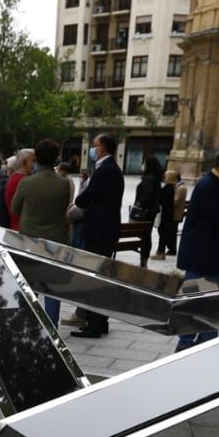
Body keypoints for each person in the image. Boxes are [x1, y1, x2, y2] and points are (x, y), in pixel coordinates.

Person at [175, 147, 219, 350]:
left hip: (213, 254)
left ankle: (207, 341)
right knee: (194, 301)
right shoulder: (208, 185)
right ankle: (186, 344)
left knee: (209, 301)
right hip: (202, 255)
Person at [12, 138, 74, 325]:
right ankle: (52, 325)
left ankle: (30, 323)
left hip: (30, 241)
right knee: (53, 288)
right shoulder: (64, 183)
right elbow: (64, 209)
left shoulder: (27, 183)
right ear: (56, 158)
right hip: (56, 242)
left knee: (30, 285)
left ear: (37, 158)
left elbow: (15, 209)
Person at [69, 133, 124, 338]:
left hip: (100, 230)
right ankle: (100, 321)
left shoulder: (105, 170)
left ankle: (94, 325)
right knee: (101, 277)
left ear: (103, 148)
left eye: (95, 145)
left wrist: (79, 202)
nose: (92, 149)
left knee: (95, 277)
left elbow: (87, 196)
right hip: (105, 229)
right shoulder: (112, 168)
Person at [133, 155, 165, 261]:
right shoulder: (156, 179)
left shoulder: (149, 179)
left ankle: (144, 259)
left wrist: (138, 204)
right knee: (147, 235)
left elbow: (146, 196)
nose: (142, 166)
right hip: (151, 211)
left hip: (145, 212)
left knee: (145, 236)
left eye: (144, 163)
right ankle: (144, 259)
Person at [4, 147, 33, 231]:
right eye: (33, 161)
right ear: (24, 163)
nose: (35, 165)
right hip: (21, 229)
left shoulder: (14, 178)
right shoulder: (22, 181)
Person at [157, 169, 178, 259]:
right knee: (163, 232)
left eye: (166, 176)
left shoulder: (167, 188)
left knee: (162, 232)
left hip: (165, 214)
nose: (164, 177)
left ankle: (160, 252)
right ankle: (161, 251)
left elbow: (161, 200)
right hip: (168, 214)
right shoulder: (171, 188)